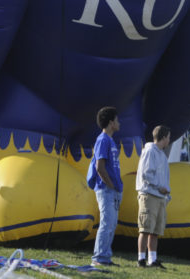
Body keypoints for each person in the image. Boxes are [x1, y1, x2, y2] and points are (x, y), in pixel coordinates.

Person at [88, 106, 122, 268]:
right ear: (111, 122)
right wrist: (110, 185)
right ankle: (99, 257)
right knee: (106, 223)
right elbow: (99, 167)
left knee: (111, 224)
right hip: (106, 189)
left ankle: (105, 257)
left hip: (113, 190)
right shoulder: (102, 140)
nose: (119, 123)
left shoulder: (110, 140)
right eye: (117, 120)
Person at [135, 125, 171, 269]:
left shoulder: (162, 154)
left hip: (160, 196)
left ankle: (153, 259)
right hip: (149, 195)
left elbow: (164, 177)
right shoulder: (150, 151)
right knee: (145, 228)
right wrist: (158, 186)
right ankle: (141, 259)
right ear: (163, 137)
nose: (169, 140)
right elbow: (146, 173)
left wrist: (167, 192)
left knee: (155, 230)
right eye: (168, 137)